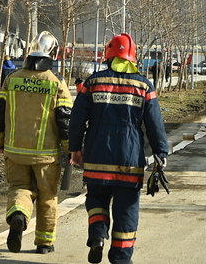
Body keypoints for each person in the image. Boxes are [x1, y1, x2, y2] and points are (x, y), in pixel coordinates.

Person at [70, 33, 168, 264]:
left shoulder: (92, 83)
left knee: (96, 198)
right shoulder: (144, 85)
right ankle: (121, 259)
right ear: (132, 57)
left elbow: (76, 118)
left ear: (109, 55)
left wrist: (74, 149)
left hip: (96, 156)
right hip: (130, 160)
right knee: (126, 210)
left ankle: (97, 236)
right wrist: (160, 152)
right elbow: (155, 123)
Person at [0, 31, 72, 255]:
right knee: (48, 196)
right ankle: (44, 243)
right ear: (51, 55)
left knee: (19, 188)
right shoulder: (56, 84)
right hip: (46, 155)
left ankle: (19, 215)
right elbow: (65, 120)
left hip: (15, 151)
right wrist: (70, 149)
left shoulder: (12, 79)